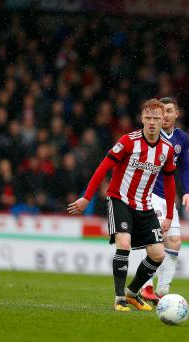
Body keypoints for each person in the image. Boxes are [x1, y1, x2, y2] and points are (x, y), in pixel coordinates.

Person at [67, 99, 177, 312]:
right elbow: (103, 167)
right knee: (124, 243)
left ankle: (132, 293)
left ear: (163, 120)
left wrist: (170, 215)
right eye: (148, 118)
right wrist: (87, 198)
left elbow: (171, 181)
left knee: (158, 254)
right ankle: (119, 298)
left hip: (145, 206)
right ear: (142, 119)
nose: (152, 122)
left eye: (156, 118)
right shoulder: (128, 141)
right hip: (120, 200)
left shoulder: (167, 149)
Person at [141, 97, 189, 302]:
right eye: (164, 112)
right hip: (150, 194)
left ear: (176, 114)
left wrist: (188, 191)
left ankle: (162, 291)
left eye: (170, 111)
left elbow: (186, 167)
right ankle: (145, 286)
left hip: (169, 197)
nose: (167, 116)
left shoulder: (182, 138)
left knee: (175, 241)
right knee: (156, 240)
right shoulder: (151, 136)